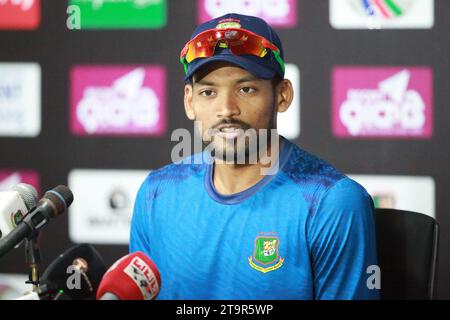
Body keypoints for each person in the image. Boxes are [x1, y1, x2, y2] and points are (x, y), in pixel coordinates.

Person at [130, 13, 379, 300]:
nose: (226, 109)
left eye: (246, 89)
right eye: (209, 92)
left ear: (282, 95)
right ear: (190, 101)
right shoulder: (157, 193)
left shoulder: (330, 202)